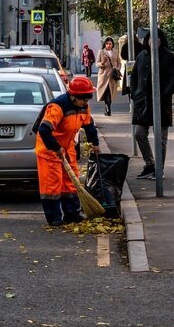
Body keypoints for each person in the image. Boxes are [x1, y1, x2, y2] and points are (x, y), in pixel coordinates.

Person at [35, 75, 103, 226]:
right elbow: (44, 130)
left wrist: (95, 143)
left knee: (71, 183)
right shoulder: (57, 107)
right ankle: (54, 218)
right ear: (73, 97)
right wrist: (56, 147)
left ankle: (72, 215)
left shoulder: (83, 106)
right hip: (49, 150)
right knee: (52, 186)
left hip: (67, 148)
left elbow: (89, 124)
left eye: (88, 99)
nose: (87, 102)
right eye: (84, 99)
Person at [130, 30, 174, 180]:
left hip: (161, 103)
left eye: (158, 39)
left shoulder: (169, 57)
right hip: (142, 103)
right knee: (139, 133)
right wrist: (134, 93)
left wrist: (163, 95)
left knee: (160, 138)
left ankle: (159, 168)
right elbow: (134, 77)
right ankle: (150, 164)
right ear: (147, 40)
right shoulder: (142, 56)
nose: (154, 42)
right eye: (152, 39)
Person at [95, 37, 120, 117]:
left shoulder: (116, 52)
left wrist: (117, 68)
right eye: (107, 44)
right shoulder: (101, 52)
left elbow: (119, 62)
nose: (108, 45)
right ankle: (108, 108)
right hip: (104, 74)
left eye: (110, 43)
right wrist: (102, 63)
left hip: (113, 74)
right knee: (105, 92)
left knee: (110, 92)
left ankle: (108, 108)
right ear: (104, 44)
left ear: (112, 44)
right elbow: (97, 64)